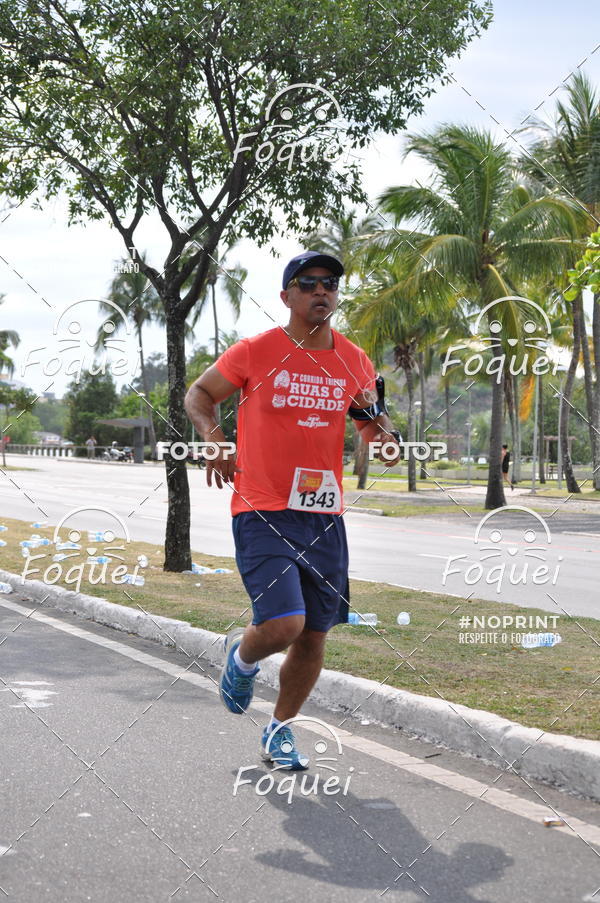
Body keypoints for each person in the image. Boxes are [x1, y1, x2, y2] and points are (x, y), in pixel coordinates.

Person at [185, 250, 401, 770]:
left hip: (323, 514)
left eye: (329, 284)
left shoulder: (354, 360)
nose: (321, 291)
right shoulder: (256, 352)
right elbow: (199, 394)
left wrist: (387, 438)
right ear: (287, 296)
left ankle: (279, 731)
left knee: (313, 635)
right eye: (308, 284)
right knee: (283, 623)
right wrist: (215, 440)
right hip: (261, 507)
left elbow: (370, 422)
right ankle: (241, 657)